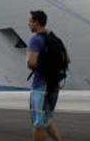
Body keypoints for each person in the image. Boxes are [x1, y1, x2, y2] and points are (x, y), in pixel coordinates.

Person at [27, 10, 64, 141]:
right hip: (54, 85)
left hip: (40, 86)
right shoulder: (54, 39)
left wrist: (34, 65)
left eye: (30, 21)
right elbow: (67, 59)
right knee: (46, 120)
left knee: (38, 123)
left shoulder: (36, 39)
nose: (28, 24)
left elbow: (32, 63)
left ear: (36, 22)